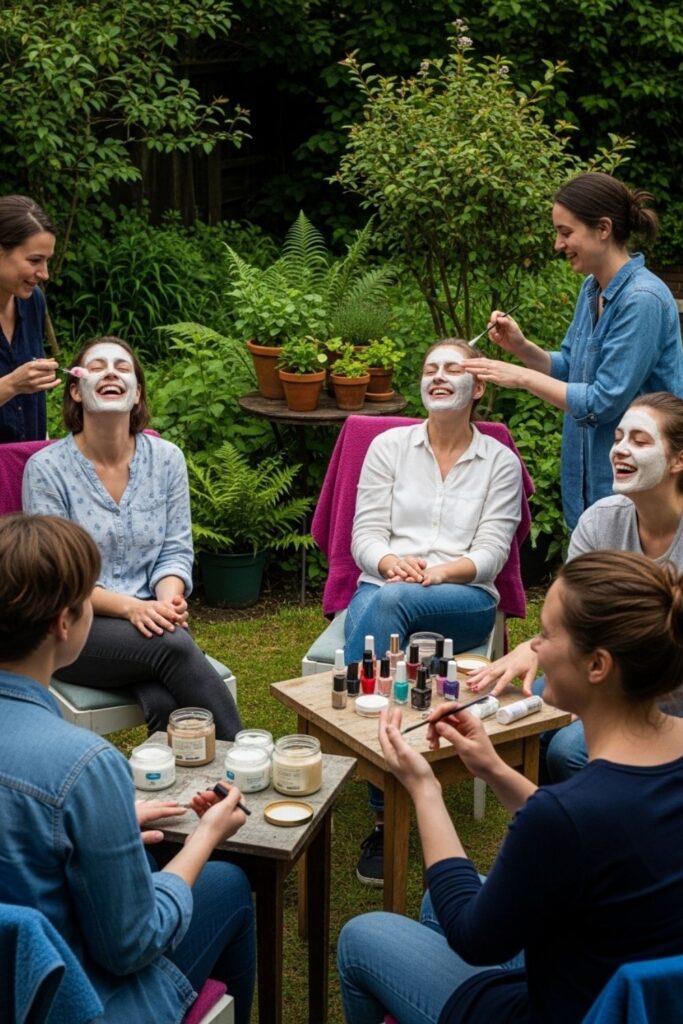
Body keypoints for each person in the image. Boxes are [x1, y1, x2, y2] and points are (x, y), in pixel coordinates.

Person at [338, 549, 683, 1024]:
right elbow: (606, 834)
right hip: (637, 984)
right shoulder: (608, 797)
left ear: (598, 665)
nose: (534, 648)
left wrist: (424, 787)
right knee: (431, 902)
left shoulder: (565, 815)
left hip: (568, 1008)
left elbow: (474, 937)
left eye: (545, 634)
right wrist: (493, 768)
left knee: (364, 935)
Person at [0, 513, 255, 1023]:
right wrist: (206, 836)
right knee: (226, 884)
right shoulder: (84, 766)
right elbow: (131, 944)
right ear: (64, 623)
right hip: (73, 1000)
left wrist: (107, 825)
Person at [344, 338, 523, 885]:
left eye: (453, 368)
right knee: (377, 603)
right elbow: (364, 536)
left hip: (463, 598)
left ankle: (375, 774)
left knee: (381, 605)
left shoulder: (500, 462)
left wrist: (435, 572)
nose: (439, 376)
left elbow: (492, 554)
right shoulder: (389, 448)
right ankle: (393, 792)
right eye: (429, 369)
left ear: (478, 387)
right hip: (389, 581)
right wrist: (390, 558)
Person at [22, 335, 242, 738]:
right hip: (67, 626)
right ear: (76, 388)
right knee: (174, 646)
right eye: (99, 366)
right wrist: (131, 609)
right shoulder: (46, 470)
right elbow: (57, 581)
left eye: (122, 367)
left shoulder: (168, 460)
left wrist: (168, 600)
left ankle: (177, 793)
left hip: (152, 623)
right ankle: (249, 759)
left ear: (137, 394)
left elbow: (175, 549)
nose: (110, 372)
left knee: (162, 699)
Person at [468, 390, 683, 781]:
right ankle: (559, 828)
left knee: (567, 751)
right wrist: (537, 647)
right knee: (525, 722)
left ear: (678, 460)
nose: (620, 450)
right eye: (618, 438)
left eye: (640, 441)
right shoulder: (600, 521)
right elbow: (574, 614)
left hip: (668, 693)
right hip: (599, 671)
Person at [462, 171, 683, 529]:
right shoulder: (591, 290)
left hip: (638, 492)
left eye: (566, 233)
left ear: (603, 229)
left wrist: (521, 377)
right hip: (591, 484)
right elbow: (570, 368)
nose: (558, 244)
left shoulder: (642, 300)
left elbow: (603, 400)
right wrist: (520, 346)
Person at [0, 194, 60, 442]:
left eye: (47, 261)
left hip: (25, 464)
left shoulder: (33, 300)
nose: (44, 273)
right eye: (35, 260)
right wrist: (12, 384)